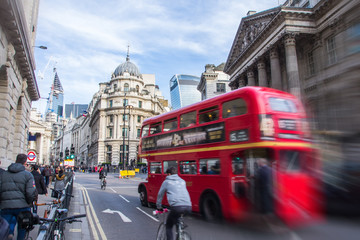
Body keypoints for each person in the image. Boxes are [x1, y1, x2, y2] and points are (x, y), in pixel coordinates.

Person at [0, 154, 37, 240]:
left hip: (6, 205)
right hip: (23, 206)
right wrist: (29, 202)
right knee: (22, 227)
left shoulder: (3, 174)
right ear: (25, 162)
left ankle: (9, 234)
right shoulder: (28, 175)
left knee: (6, 226)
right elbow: (30, 192)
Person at [156, 167, 192, 240]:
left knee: (169, 226)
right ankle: (180, 231)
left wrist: (159, 206)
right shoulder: (182, 181)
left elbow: (160, 195)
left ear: (169, 174)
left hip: (176, 207)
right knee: (177, 219)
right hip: (188, 206)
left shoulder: (166, 182)